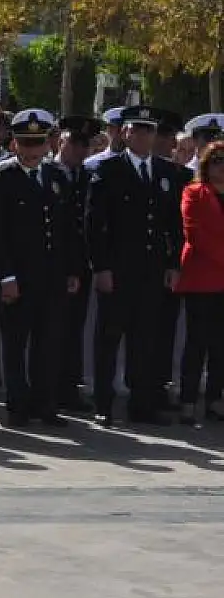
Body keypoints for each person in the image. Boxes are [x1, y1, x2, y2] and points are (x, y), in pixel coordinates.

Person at [87, 105, 184, 426]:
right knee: (109, 339)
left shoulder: (166, 171)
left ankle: (142, 404)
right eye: (136, 130)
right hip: (118, 270)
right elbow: (95, 223)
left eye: (148, 130)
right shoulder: (108, 170)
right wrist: (101, 267)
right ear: (125, 133)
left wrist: (173, 264)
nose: (143, 136)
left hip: (151, 271)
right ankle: (103, 403)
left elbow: (173, 225)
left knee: (145, 340)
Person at [0, 110, 85, 427]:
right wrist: (6, 276)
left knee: (49, 343)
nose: (32, 151)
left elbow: (68, 229)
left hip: (52, 276)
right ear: (14, 144)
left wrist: (72, 270)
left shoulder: (56, 177)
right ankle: (17, 405)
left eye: (37, 143)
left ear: (47, 144)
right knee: (15, 344)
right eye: (26, 143)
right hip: (18, 276)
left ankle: (45, 403)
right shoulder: (1, 178)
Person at [52, 116, 99, 410]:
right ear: (61, 141)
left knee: (73, 329)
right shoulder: (48, 172)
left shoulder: (88, 176)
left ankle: (68, 388)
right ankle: (47, 388)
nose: (80, 149)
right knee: (50, 330)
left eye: (85, 144)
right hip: (51, 264)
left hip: (80, 266)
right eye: (74, 142)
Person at [175, 143, 224, 424]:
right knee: (197, 342)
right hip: (202, 277)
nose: (222, 166)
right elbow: (194, 234)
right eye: (216, 160)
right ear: (206, 164)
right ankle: (188, 400)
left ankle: (215, 399)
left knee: (221, 344)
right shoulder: (193, 192)